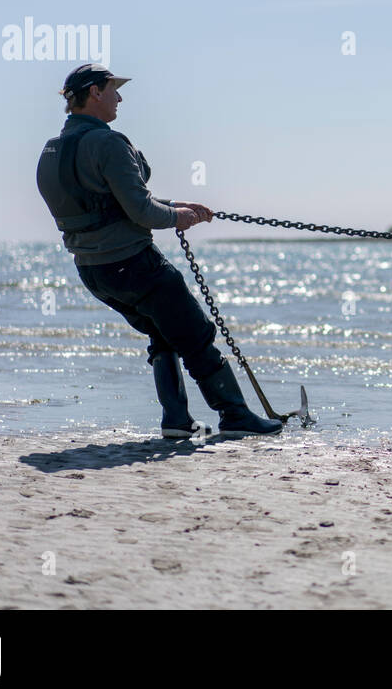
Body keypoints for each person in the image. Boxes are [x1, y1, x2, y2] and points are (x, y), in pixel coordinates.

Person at [35, 63, 282, 438]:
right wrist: (177, 217)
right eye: (113, 88)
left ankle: (177, 422)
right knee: (196, 334)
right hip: (136, 266)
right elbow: (141, 212)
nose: (120, 96)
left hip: (94, 273)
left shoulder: (51, 151)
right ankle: (235, 416)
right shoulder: (108, 142)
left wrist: (177, 207)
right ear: (95, 93)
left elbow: (106, 205)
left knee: (163, 335)